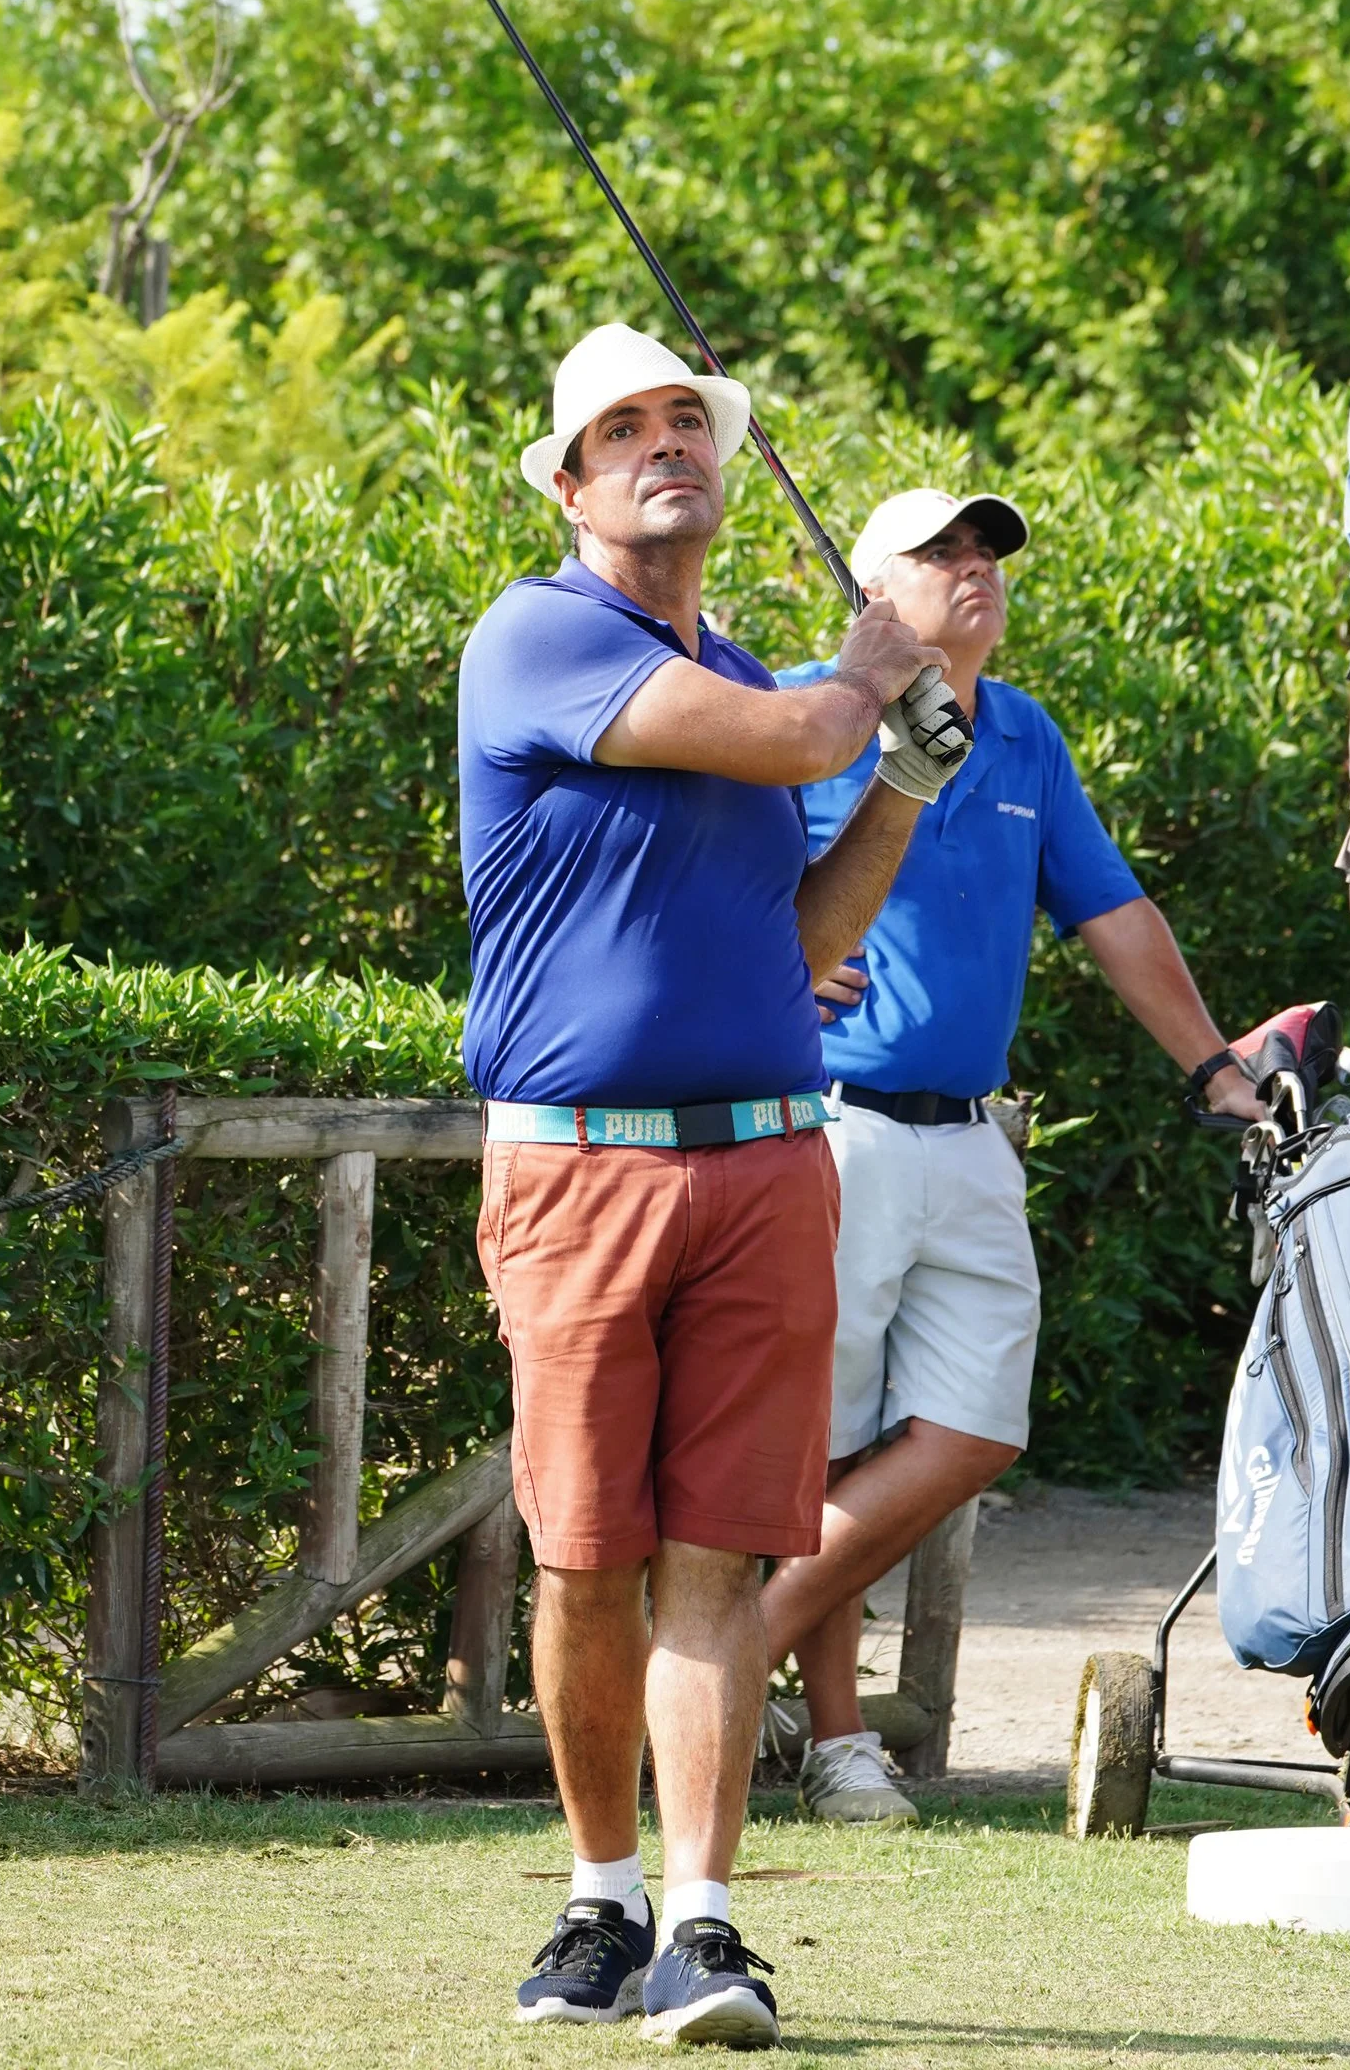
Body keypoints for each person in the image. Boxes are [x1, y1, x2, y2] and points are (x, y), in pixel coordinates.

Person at [457, 326, 972, 2047]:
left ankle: (702, 1924)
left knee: (712, 1561)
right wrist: (870, 676)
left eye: (688, 419)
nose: (666, 443)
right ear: (570, 484)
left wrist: (906, 780)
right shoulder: (540, 637)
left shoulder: (745, 675)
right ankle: (598, 1899)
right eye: (624, 429)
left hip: (766, 1159)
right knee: (585, 1557)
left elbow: (803, 939)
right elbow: (798, 734)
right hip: (578, 1170)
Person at [759, 485, 1260, 1828]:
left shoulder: (1025, 733)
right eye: (941, 552)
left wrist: (1214, 1068)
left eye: (987, 551)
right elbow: (689, 875)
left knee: (976, 1428)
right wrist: (761, 958)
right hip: (831, 1123)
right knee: (820, 1453)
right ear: (874, 591)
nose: (975, 566)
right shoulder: (804, 710)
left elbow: (1115, 911)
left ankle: (727, 1659)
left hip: (972, 1134)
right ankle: (838, 1743)